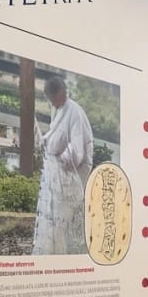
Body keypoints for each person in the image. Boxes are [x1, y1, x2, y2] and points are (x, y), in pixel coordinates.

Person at [31, 76, 93, 255]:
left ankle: (61, 252)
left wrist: (62, 159)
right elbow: (55, 132)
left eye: (54, 99)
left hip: (71, 172)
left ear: (62, 93)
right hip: (58, 169)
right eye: (50, 100)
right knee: (52, 216)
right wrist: (46, 141)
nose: (53, 103)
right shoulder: (57, 108)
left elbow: (77, 149)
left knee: (62, 218)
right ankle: (54, 250)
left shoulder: (74, 112)